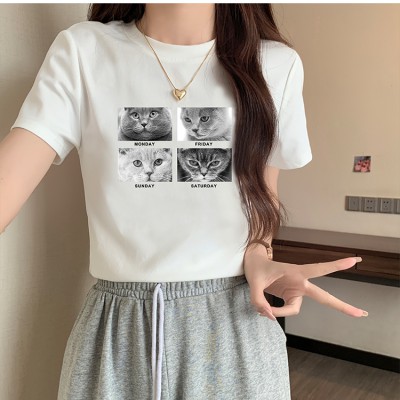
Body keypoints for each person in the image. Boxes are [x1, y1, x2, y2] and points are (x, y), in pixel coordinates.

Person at [0, 4, 368, 400]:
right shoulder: (84, 51)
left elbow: (262, 198)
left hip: (236, 329)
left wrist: (260, 256)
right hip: (118, 333)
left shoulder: (276, 65)